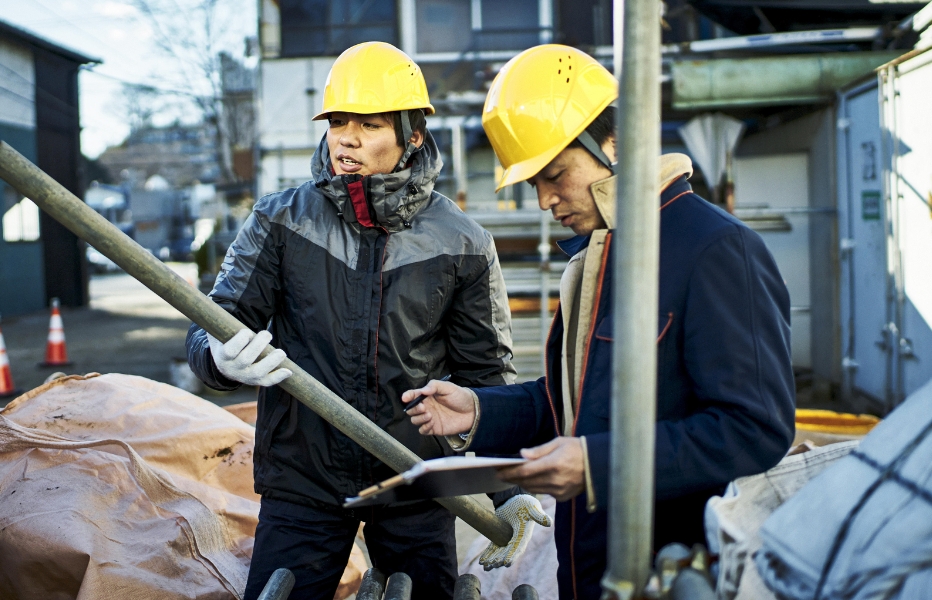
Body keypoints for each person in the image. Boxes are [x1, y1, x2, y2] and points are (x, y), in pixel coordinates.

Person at [402, 44, 796, 599]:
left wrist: (598, 463)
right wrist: (481, 410)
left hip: (672, 571)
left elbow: (756, 429)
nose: (544, 201)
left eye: (555, 174)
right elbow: (580, 403)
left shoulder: (716, 249)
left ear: (612, 143)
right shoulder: (600, 258)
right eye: (533, 183)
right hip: (592, 570)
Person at [186, 42, 539, 600]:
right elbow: (216, 321)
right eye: (337, 122)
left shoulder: (464, 242)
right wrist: (217, 355)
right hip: (303, 481)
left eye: (369, 124)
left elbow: (486, 375)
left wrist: (504, 484)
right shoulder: (278, 221)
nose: (346, 138)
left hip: (415, 480)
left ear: (413, 134)